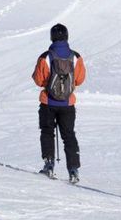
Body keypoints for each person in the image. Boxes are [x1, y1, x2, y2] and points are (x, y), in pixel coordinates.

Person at [32, 23, 86, 184]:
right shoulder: (76, 57)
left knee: (47, 132)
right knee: (69, 135)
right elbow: (80, 79)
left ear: (52, 37)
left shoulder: (46, 56)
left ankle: (49, 164)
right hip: (68, 104)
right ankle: (73, 169)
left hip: (48, 102)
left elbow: (39, 80)